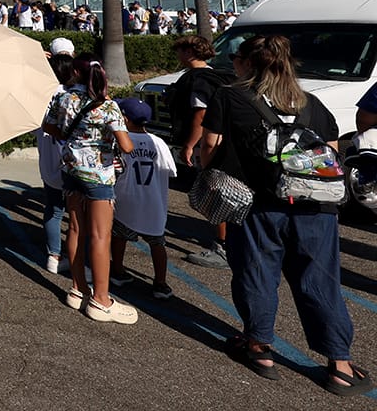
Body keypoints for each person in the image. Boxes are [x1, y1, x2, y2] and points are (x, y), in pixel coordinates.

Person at [201, 35, 368, 393]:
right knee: (320, 282)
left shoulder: (230, 97)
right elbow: (332, 157)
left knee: (257, 275)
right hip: (316, 208)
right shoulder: (313, 104)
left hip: (258, 204)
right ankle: (339, 364)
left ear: (247, 64)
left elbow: (209, 148)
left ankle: (259, 347)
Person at [42, 57, 136, 324]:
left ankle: (78, 288)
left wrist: (73, 137)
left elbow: (49, 127)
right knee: (99, 236)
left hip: (70, 170)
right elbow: (127, 146)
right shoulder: (107, 106)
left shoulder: (65, 98)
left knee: (75, 228)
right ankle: (101, 300)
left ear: (75, 73)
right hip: (98, 175)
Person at [169, 34, 232, 269]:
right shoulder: (221, 76)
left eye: (180, 51)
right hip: (230, 141)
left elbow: (201, 114)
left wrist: (189, 144)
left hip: (210, 142)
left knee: (215, 194)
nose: (177, 55)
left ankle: (223, 247)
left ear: (189, 53)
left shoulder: (198, 81)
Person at [109, 99, 175, 299]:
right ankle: (160, 283)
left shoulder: (122, 140)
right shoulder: (159, 142)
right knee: (157, 243)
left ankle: (118, 271)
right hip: (153, 202)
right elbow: (171, 170)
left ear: (125, 119)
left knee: (119, 236)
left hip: (127, 198)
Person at [37, 44, 75, 274]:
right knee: (76, 214)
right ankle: (76, 257)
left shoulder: (40, 92)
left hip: (47, 159)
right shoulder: (73, 95)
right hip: (70, 162)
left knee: (53, 208)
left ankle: (54, 255)